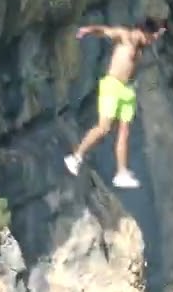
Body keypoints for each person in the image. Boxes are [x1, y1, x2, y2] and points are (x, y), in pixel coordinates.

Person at [64, 19, 166, 188]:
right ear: (143, 31)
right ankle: (76, 157)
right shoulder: (125, 36)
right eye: (151, 37)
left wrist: (159, 31)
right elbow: (104, 30)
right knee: (103, 128)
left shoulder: (141, 48)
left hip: (128, 91)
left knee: (124, 132)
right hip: (112, 86)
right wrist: (88, 30)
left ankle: (121, 172)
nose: (152, 41)